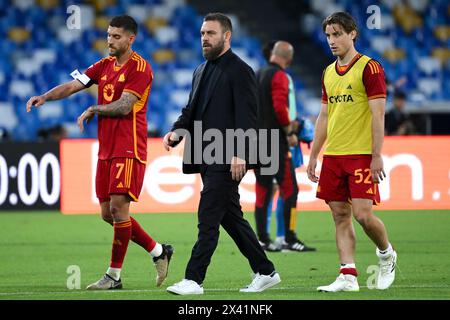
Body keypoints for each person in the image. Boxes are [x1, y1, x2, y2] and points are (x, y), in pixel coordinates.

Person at [26, 15, 173, 290]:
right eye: (108, 35)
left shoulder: (141, 68)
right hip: (106, 148)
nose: (110, 40)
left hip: (128, 147)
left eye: (116, 36)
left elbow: (125, 105)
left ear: (131, 39)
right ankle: (158, 251)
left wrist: (94, 108)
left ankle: (113, 276)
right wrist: (45, 96)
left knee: (119, 209)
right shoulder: (103, 65)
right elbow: (74, 85)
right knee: (108, 214)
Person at [162, 12, 280, 295]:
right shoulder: (201, 70)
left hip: (228, 158)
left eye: (210, 33)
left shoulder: (240, 71)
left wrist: (241, 153)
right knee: (230, 217)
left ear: (226, 36)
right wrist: (178, 131)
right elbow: (191, 111)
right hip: (206, 157)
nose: (204, 38)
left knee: (208, 214)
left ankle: (193, 279)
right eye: (203, 33)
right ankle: (266, 271)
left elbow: (249, 117)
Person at [306, 12, 397, 292]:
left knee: (363, 214)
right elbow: (323, 116)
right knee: (339, 215)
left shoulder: (369, 68)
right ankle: (348, 275)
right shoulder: (328, 72)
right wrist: (314, 154)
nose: (332, 41)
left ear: (352, 33)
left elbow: (378, 115)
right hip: (334, 155)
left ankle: (386, 254)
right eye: (328, 35)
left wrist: (376, 154)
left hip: (360, 154)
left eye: (337, 34)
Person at [255, 40, 315, 252]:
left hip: (258, 141)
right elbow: (280, 108)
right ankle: (290, 238)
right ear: (288, 60)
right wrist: (289, 132)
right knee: (290, 189)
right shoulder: (280, 76)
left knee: (263, 190)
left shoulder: (257, 74)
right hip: (276, 143)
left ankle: (262, 239)